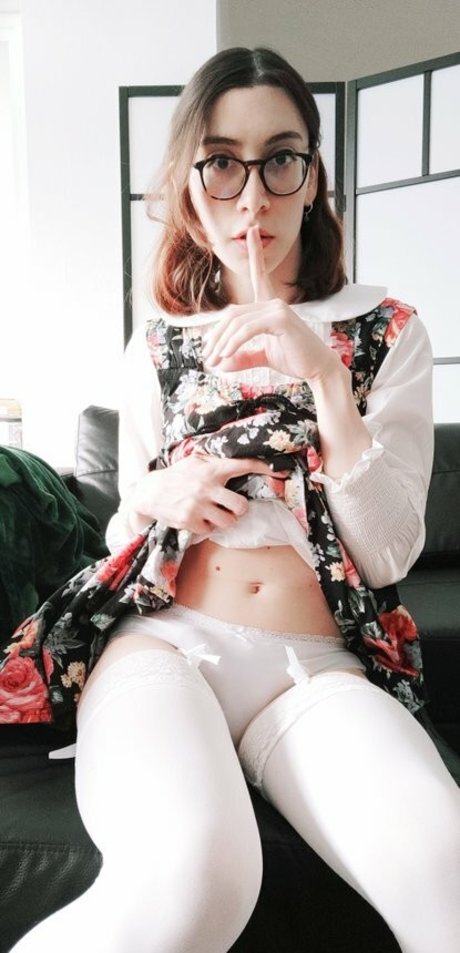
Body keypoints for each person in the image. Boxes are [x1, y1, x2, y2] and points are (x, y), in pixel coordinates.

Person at [11, 46, 460, 953]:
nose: (252, 197)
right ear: (190, 184)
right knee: (195, 880)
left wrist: (327, 381)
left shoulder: (389, 332)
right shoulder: (159, 344)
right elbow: (122, 528)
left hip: (315, 667)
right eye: (221, 163)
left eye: (279, 159)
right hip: (165, 644)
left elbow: (387, 553)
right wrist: (156, 492)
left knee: (448, 873)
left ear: (312, 176)